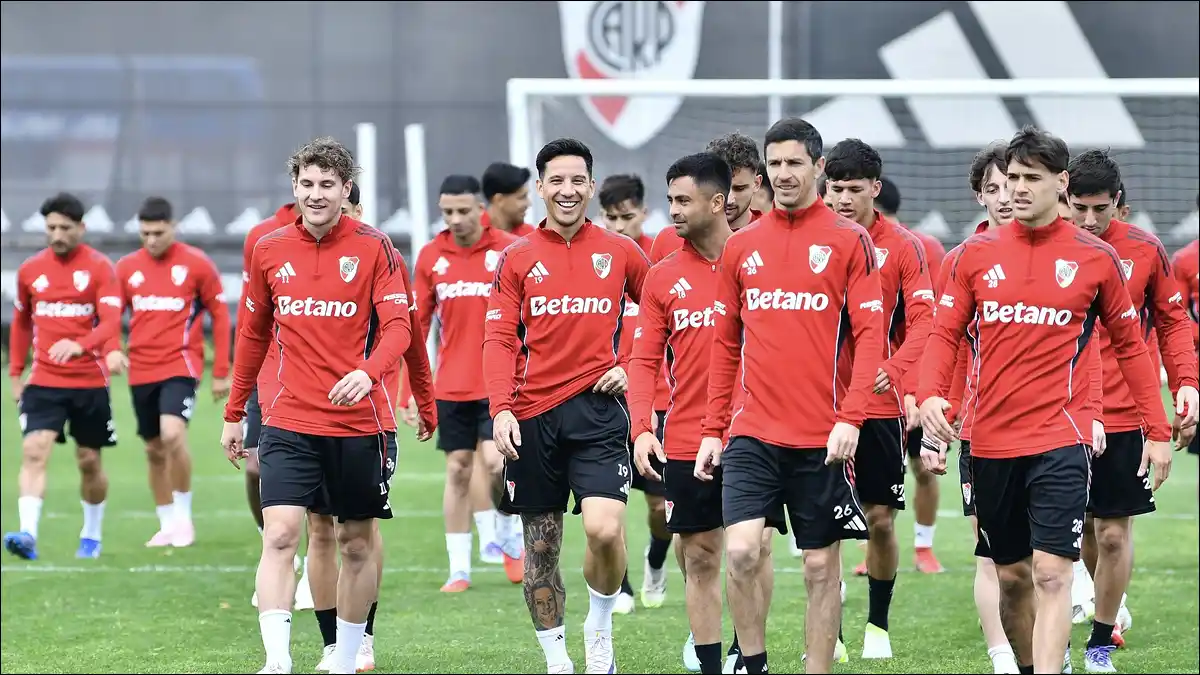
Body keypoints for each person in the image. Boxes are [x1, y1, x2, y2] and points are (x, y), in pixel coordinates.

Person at [918, 126, 1176, 675]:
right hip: (989, 441)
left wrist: (1156, 431)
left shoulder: (1095, 258)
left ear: (1059, 182)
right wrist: (929, 396)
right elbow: (943, 335)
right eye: (1011, 178)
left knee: (1053, 574)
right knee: (1011, 578)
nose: (1017, 190)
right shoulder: (970, 257)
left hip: (1063, 437)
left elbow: (1130, 347)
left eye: (1030, 179)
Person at [220, 136, 427, 675]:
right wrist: (234, 411)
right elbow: (252, 335)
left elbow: (402, 328)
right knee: (283, 532)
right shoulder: (268, 249)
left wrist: (369, 372)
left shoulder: (376, 247)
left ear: (345, 190)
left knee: (355, 541)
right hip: (289, 419)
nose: (316, 195)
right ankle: (277, 660)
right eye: (307, 184)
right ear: (294, 188)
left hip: (360, 425)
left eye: (327, 185)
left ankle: (348, 651)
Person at [699, 117, 884, 675]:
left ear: (818, 167)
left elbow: (872, 335)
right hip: (753, 430)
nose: (783, 174)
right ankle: (753, 665)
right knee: (740, 551)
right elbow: (725, 344)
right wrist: (712, 429)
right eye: (773, 165)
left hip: (824, 436)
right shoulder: (742, 248)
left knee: (820, 567)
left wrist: (852, 418)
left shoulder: (850, 241)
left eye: (793, 163)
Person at [483, 137, 650, 675]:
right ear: (540, 188)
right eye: (556, 180)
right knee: (542, 548)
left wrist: (628, 360)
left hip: (599, 412)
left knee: (604, 528)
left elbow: (660, 315)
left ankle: (599, 627)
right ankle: (557, 660)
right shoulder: (517, 257)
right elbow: (501, 339)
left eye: (578, 180)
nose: (568, 189)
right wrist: (501, 408)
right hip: (531, 418)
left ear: (591, 187)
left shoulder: (621, 252)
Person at [628, 151, 763, 675]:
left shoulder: (759, 261)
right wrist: (642, 427)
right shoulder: (663, 277)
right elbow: (642, 360)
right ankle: (710, 663)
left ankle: (749, 657)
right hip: (685, 435)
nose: (674, 212)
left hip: (756, 432)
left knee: (751, 553)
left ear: (718, 202)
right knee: (701, 554)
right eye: (670, 201)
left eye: (683, 201)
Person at [1063, 149, 1198, 671]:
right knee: (1082, 529)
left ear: (1119, 203)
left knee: (1113, 530)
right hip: (1065, 413)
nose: (1091, 220)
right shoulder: (1052, 247)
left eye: (1101, 208)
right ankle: (1104, 602)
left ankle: (1099, 641)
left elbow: (1171, 322)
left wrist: (1186, 383)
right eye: (1080, 208)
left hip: (1124, 414)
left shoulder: (1145, 249)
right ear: (1064, 200)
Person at [309, 183, 438, 673]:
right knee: (316, 529)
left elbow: (407, 338)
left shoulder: (379, 257)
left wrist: (422, 398)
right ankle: (330, 644)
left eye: (354, 208)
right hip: (302, 417)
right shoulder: (296, 256)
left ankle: (361, 636)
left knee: (356, 534)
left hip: (367, 420)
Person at [824, 139, 935, 660]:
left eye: (853, 190)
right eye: (836, 189)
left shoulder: (904, 247)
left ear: (875, 188)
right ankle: (832, 634)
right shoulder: (813, 241)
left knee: (880, 518)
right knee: (822, 526)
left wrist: (892, 371)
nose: (843, 200)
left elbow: (925, 323)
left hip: (877, 408)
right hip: (817, 405)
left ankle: (877, 626)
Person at [413, 174, 522, 593]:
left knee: (496, 463)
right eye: (447, 212)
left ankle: (508, 532)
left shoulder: (508, 251)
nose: (455, 219)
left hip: (499, 383)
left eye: (463, 210)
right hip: (451, 385)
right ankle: (459, 568)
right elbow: (416, 326)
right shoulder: (430, 257)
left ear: (481, 208)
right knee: (458, 470)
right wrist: (411, 391)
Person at [4, 192, 122, 561]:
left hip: (89, 381)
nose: (57, 234)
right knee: (34, 450)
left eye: (64, 228)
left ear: (81, 228)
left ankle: (91, 533)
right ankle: (28, 534)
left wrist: (81, 344)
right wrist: (15, 372)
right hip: (43, 381)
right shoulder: (30, 270)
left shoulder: (101, 268)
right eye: (51, 227)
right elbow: (21, 323)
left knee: (88, 460)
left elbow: (112, 322)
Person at [112, 196, 232, 548]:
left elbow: (221, 316)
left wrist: (221, 370)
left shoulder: (196, 264)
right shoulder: (126, 268)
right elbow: (107, 315)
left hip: (181, 364)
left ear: (173, 227)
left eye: (158, 232)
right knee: (152, 448)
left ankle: (183, 518)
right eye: (145, 233)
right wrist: (110, 349)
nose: (151, 240)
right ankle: (166, 523)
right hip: (141, 368)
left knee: (172, 434)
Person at [597, 172, 670, 615]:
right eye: (611, 218)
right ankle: (620, 584)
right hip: (607, 402)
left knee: (661, 507)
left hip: (657, 398)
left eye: (627, 216)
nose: (620, 226)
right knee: (611, 501)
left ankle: (656, 563)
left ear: (643, 212)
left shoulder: (660, 260)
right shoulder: (598, 261)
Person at [875, 176, 947, 575]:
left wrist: (920, 391)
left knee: (924, 465)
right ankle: (879, 547)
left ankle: (923, 546)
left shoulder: (920, 249)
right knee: (878, 475)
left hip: (916, 379)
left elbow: (931, 325)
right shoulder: (848, 245)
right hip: (876, 385)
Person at [649, 132, 763, 263]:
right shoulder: (668, 240)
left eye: (739, 188)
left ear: (756, 183)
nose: (729, 199)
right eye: (722, 189)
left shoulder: (771, 236)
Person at [481, 161, 536, 236]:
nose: (529, 203)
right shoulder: (473, 234)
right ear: (499, 200)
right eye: (521, 197)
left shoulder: (529, 235)